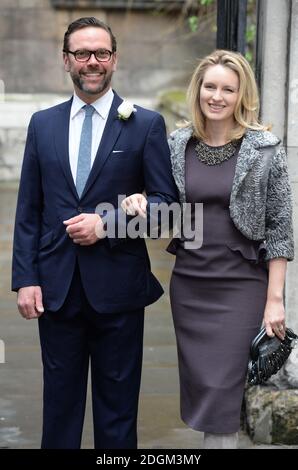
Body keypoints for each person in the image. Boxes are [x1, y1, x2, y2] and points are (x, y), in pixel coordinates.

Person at [12, 17, 178, 449]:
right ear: (66, 60)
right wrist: (26, 279)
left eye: (101, 53)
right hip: (56, 288)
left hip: (119, 291)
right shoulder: (42, 124)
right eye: (82, 53)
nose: (92, 62)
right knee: (59, 409)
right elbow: (29, 209)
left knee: (118, 413)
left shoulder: (145, 124)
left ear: (115, 59)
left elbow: (168, 208)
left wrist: (109, 224)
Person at [120, 50, 294, 449]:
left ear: (241, 95)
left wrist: (274, 300)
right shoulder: (178, 144)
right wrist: (139, 203)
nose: (217, 96)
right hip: (191, 286)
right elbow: (165, 210)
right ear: (198, 90)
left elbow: (280, 230)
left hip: (241, 287)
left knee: (221, 397)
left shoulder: (265, 149)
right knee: (204, 394)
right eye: (210, 86)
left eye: (228, 89)